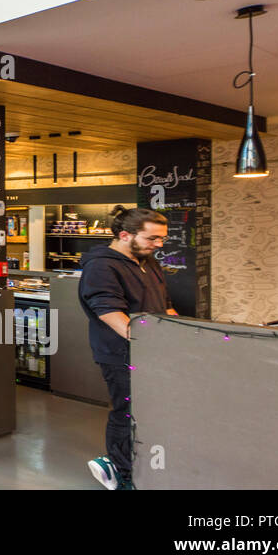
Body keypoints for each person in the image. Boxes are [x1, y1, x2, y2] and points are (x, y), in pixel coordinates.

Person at [78, 206, 178, 491]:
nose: (158, 245)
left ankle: (142, 463)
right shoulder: (101, 266)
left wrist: (176, 335)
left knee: (150, 410)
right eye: (152, 239)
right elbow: (108, 311)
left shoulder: (147, 261)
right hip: (120, 353)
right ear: (125, 235)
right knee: (128, 410)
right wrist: (145, 341)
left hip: (153, 350)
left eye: (162, 239)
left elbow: (165, 304)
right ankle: (122, 475)